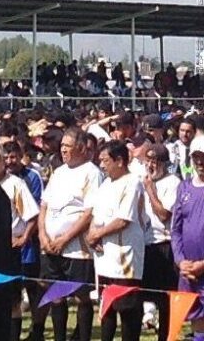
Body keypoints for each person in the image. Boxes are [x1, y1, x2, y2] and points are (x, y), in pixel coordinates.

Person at [38, 127, 102, 341]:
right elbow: (44, 205)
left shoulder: (92, 173)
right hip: (51, 245)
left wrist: (65, 239)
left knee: (81, 296)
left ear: (82, 148)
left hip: (77, 249)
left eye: (68, 146)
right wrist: (43, 235)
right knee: (56, 295)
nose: (63, 150)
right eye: (62, 146)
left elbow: (89, 213)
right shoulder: (58, 172)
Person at [86, 141, 145, 341]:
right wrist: (92, 233)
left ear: (119, 161)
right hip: (104, 256)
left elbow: (123, 220)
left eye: (105, 160)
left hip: (124, 256)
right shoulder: (105, 184)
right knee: (107, 305)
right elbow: (96, 214)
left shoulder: (132, 182)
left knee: (127, 306)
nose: (101, 165)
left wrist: (97, 234)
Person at [0, 144, 39, 341]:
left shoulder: (16, 184)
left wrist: (24, 237)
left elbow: (32, 215)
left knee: (12, 300)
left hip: (9, 250)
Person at [142, 143, 180, 341]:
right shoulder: (143, 181)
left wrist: (150, 190)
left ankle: (165, 336)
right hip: (145, 243)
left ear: (164, 164)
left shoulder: (172, 182)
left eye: (154, 161)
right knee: (144, 295)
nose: (150, 165)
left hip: (165, 244)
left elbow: (165, 214)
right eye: (147, 161)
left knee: (166, 299)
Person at [171, 135, 204, 341]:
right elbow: (176, 230)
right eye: (197, 157)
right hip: (189, 271)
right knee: (197, 321)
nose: (200, 162)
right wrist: (180, 260)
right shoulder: (184, 187)